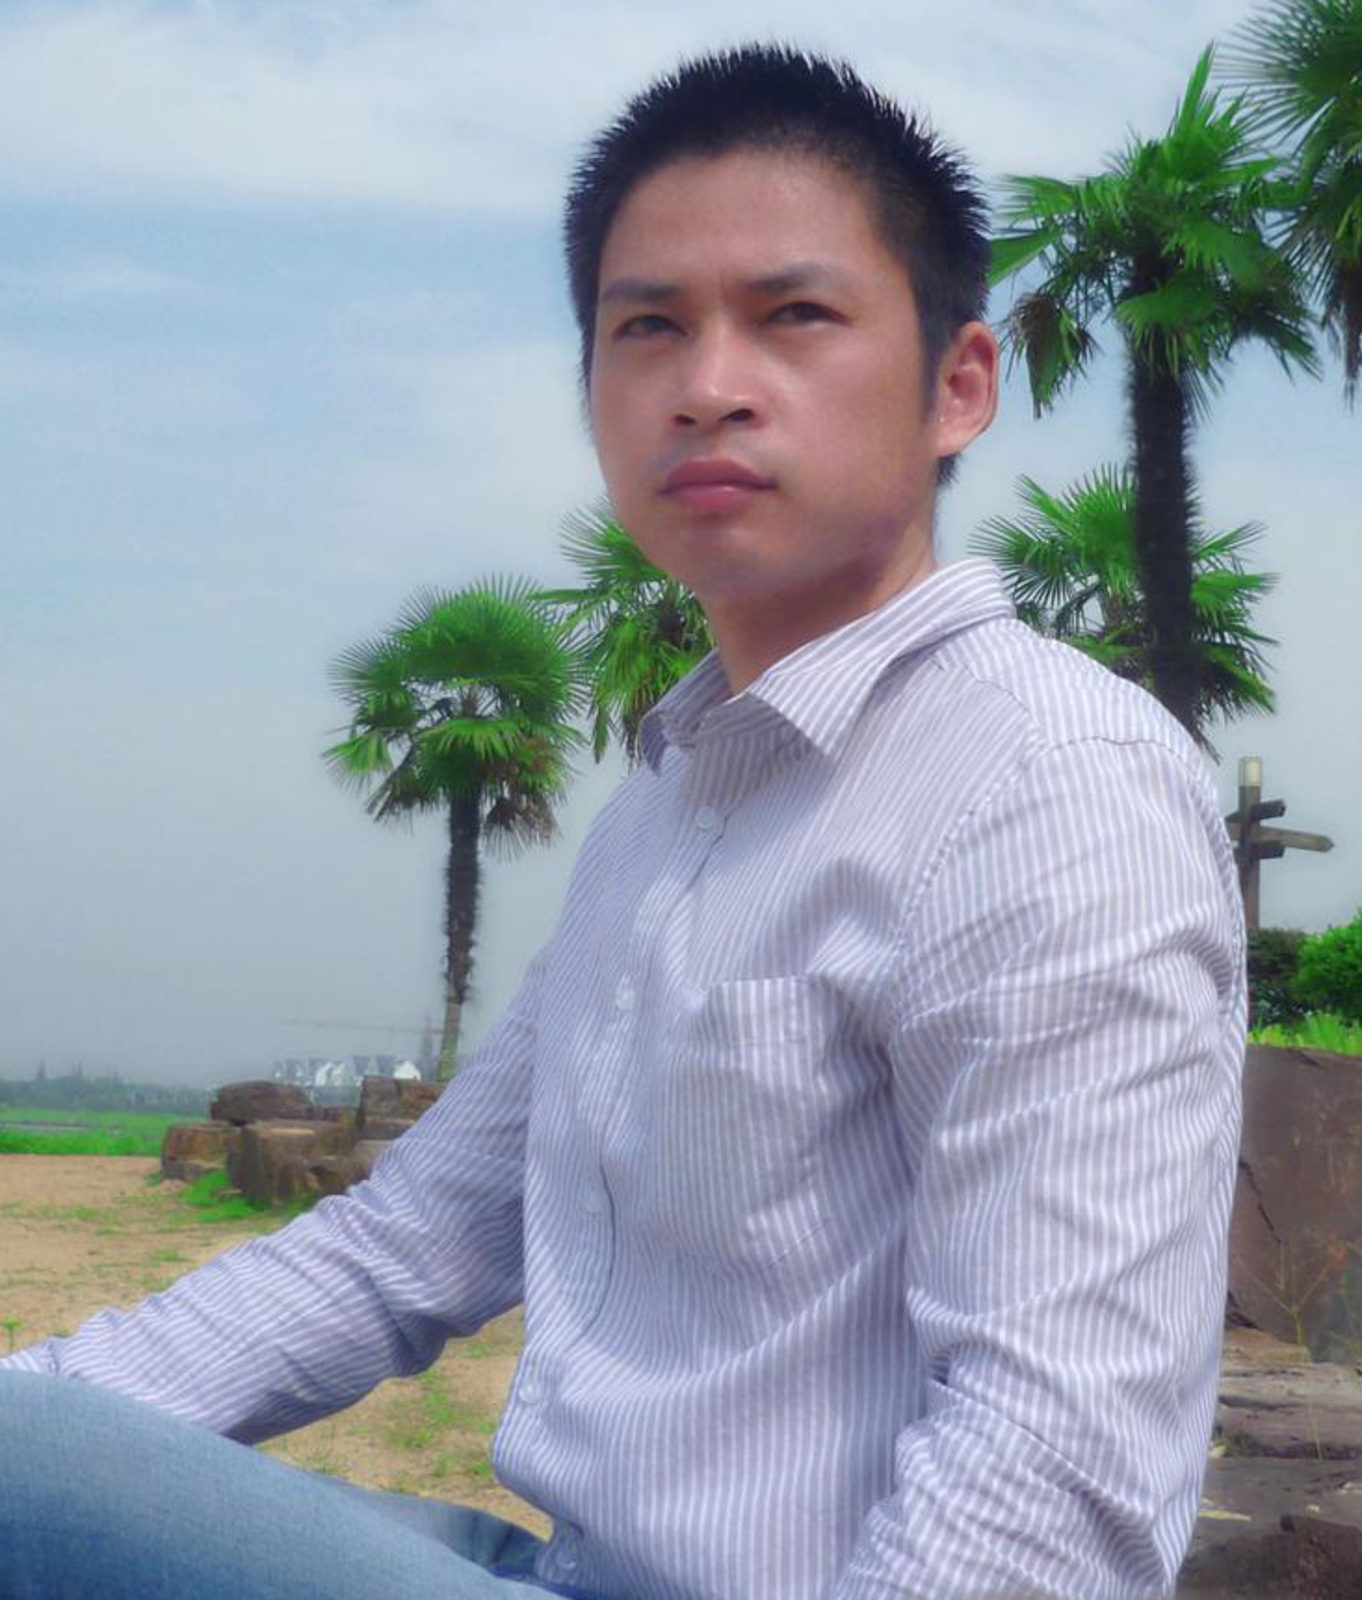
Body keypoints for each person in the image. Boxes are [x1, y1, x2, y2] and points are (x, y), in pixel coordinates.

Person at [0, 43, 1245, 1600]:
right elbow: (402, 1246)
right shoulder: (669, 808)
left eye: (794, 316)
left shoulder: (1049, 785)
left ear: (959, 385)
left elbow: (1048, 1473)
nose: (706, 384)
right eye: (646, 326)